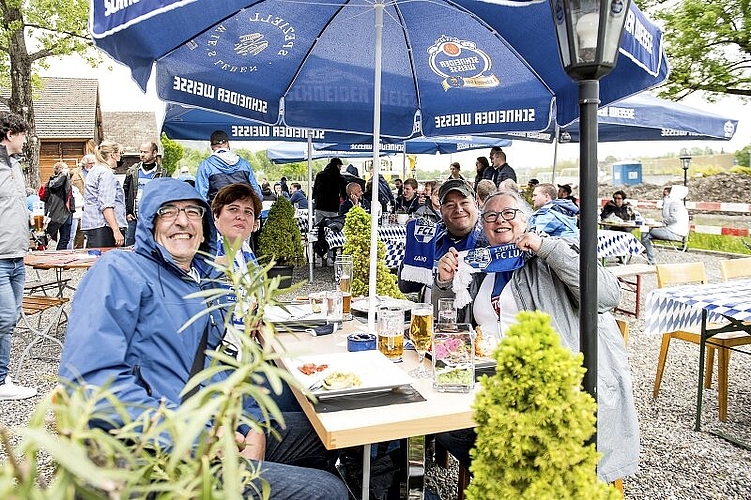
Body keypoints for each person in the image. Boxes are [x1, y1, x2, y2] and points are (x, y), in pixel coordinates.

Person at [58, 178, 347, 499]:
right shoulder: (120, 270)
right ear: (148, 221)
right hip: (155, 453)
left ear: (204, 225)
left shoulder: (209, 280)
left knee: (326, 432)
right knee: (329, 491)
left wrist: (250, 427)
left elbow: (225, 366)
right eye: (168, 212)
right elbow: (93, 381)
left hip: (221, 425)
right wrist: (194, 436)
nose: (182, 220)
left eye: (193, 212)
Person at [432, 190, 639, 485]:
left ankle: (516, 479)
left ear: (528, 220)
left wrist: (546, 248)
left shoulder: (557, 249)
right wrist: (445, 282)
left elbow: (607, 297)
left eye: (509, 214)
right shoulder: (481, 263)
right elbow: (450, 329)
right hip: (493, 383)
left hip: (555, 388)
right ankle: (510, 478)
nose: (499, 221)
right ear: (483, 225)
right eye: (490, 216)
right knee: (444, 425)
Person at [0, 111, 37, 401]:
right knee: (4, 318)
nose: (25, 139)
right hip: (0, 257)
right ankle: (1, 381)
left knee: (9, 319)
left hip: (17, 255)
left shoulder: (14, 165)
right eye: (22, 134)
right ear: (10, 134)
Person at [81, 140, 127, 248]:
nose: (120, 158)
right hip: (104, 227)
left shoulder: (94, 171)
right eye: (119, 154)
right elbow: (106, 205)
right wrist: (116, 230)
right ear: (113, 155)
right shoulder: (106, 174)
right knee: (108, 262)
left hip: (94, 224)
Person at [195, 130, 261, 204]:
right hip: (242, 207)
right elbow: (257, 193)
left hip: (218, 211)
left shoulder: (205, 165)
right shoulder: (244, 164)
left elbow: (201, 196)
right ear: (227, 144)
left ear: (212, 147)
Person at [123, 141, 168, 246]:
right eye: (141, 152)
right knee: (130, 248)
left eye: (145, 152)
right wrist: (127, 212)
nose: (142, 155)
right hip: (133, 219)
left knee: (152, 247)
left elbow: (167, 197)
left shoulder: (163, 174)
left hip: (153, 219)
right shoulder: (132, 171)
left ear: (154, 153)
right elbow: (124, 193)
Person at [641, 185, 690, 265]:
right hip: (675, 231)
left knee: (645, 231)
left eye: (665, 194)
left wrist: (662, 222)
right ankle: (645, 250)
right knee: (646, 233)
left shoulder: (674, 204)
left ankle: (649, 256)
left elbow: (674, 219)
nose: (664, 196)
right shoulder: (677, 203)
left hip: (674, 233)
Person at [44, 161, 75, 250]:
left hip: (67, 211)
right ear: (59, 170)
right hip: (60, 212)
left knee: (66, 238)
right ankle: (59, 255)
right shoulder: (55, 180)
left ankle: (60, 254)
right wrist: (63, 174)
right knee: (61, 238)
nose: (67, 169)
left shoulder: (66, 180)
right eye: (65, 168)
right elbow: (54, 186)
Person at [70, 153, 96, 248]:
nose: (92, 165)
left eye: (94, 163)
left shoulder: (97, 172)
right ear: (84, 163)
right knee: (79, 231)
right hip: (79, 205)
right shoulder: (75, 172)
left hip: (92, 205)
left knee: (92, 229)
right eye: (90, 163)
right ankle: (78, 249)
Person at [312, 157, 347, 225]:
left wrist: (315, 199)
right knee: (332, 228)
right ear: (337, 165)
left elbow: (315, 190)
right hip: (333, 208)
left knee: (318, 228)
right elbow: (344, 193)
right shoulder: (340, 178)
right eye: (340, 166)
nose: (340, 168)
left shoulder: (320, 175)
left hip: (319, 207)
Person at [68, 185, 84, 250]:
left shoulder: (75, 189)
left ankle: (77, 249)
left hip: (79, 215)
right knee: (71, 236)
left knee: (80, 235)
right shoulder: (68, 189)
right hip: (73, 215)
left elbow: (82, 200)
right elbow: (73, 204)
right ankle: (69, 251)